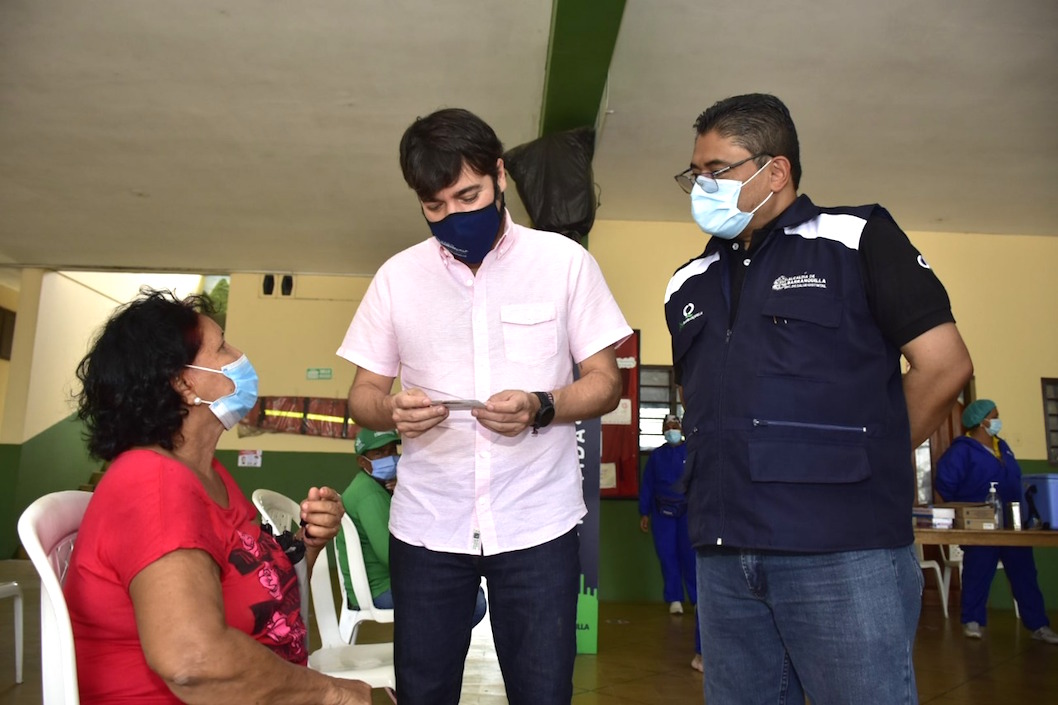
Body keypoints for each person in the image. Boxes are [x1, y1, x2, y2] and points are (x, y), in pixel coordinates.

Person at [665, 94, 973, 704]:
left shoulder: (857, 239)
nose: (701, 185)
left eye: (717, 170)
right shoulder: (687, 282)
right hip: (725, 556)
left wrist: (863, 458)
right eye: (693, 174)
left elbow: (944, 366)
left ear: (774, 171)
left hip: (842, 552)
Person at [337, 107, 631, 705]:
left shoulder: (564, 263)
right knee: (423, 692)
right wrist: (392, 410)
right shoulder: (397, 279)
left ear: (500, 176)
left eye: (467, 194)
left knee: (543, 692)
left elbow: (606, 383)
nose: (453, 215)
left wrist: (543, 405)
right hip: (427, 528)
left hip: (537, 524)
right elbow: (361, 397)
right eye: (435, 205)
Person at [64, 290, 371, 705]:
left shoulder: (208, 476)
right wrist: (331, 693)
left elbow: (261, 591)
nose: (239, 354)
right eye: (223, 346)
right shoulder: (152, 484)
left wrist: (309, 543)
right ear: (182, 382)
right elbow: (192, 663)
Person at [935, 399, 1058, 644]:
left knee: (1025, 574)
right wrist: (967, 510)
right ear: (982, 422)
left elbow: (1015, 478)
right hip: (980, 525)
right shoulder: (962, 450)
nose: (998, 419)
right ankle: (972, 621)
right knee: (978, 572)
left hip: (1012, 523)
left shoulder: (1002, 446)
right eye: (994, 415)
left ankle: (1038, 625)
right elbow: (945, 485)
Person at [336, 428, 486, 624]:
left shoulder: (378, 486)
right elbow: (390, 555)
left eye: (391, 451)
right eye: (379, 453)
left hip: (388, 582)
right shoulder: (368, 494)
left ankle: (436, 650)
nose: (388, 458)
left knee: (467, 589)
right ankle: (434, 653)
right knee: (472, 601)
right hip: (380, 589)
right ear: (362, 462)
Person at [638, 414, 702, 671]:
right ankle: (674, 599)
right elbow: (647, 486)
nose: (672, 431)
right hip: (662, 513)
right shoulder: (656, 457)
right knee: (667, 556)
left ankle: (696, 598)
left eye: (675, 427)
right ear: (664, 431)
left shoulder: (692, 452)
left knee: (690, 557)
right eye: (669, 428)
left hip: (688, 512)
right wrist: (644, 512)